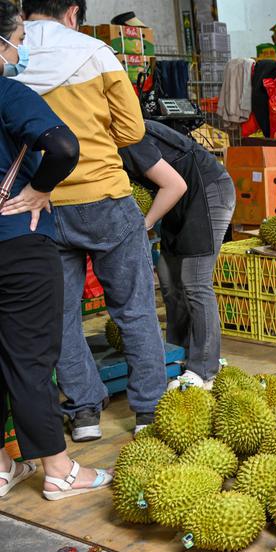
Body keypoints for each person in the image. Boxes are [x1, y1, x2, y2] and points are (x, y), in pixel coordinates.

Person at [18, 0, 166, 440]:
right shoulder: (95, 52)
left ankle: (83, 413)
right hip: (104, 196)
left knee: (60, 316)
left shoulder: (12, 60)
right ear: (72, 11)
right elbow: (132, 131)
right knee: (135, 309)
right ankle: (148, 411)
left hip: (42, 201)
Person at [0, 1, 111, 500]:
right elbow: (63, 147)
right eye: (18, 40)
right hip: (17, 244)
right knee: (29, 360)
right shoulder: (9, 92)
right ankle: (60, 471)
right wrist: (41, 188)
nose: (20, 49)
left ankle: (3, 467)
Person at [119, 120, 235, 391]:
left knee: (195, 281)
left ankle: (205, 369)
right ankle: (179, 356)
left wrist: (144, 225)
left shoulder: (128, 137)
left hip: (207, 192)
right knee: (170, 281)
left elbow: (176, 185)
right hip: (176, 203)